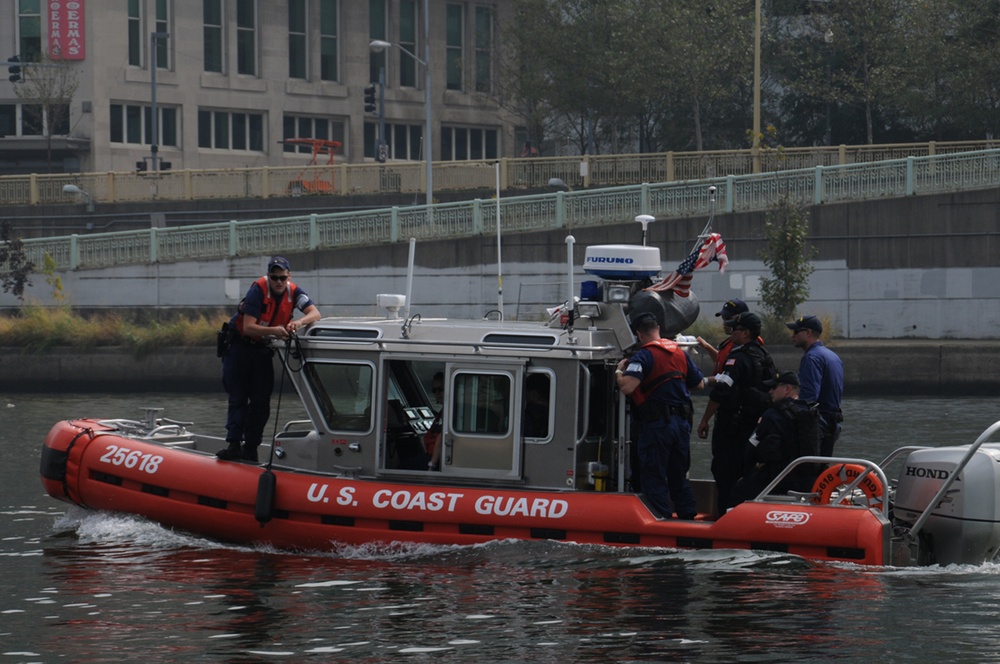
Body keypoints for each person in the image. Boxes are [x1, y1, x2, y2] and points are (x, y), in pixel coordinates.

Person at [217, 256, 321, 462]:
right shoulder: (258, 290)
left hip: (261, 350)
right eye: (274, 277)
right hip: (240, 348)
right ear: (269, 276)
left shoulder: (294, 292)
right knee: (238, 398)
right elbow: (248, 327)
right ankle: (234, 444)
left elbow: (315, 313)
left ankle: (251, 447)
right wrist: (275, 330)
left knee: (261, 402)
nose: (279, 282)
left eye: (282, 277)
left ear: (289, 276)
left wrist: (297, 323)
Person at [617, 312, 705, 519]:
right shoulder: (680, 353)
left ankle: (661, 520)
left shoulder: (644, 355)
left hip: (658, 426)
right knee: (678, 475)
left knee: (654, 475)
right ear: (658, 329)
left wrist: (619, 372)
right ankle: (687, 518)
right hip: (681, 425)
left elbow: (628, 388)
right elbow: (699, 384)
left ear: (639, 334)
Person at [697, 311, 776, 513]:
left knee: (725, 473)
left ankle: (725, 517)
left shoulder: (737, 358)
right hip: (754, 427)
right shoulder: (765, 356)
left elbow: (721, 391)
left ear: (745, 333)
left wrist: (705, 419)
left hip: (732, 428)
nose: (731, 332)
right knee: (748, 473)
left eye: (735, 329)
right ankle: (746, 514)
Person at [728, 371, 820, 508]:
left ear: (787, 389)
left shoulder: (772, 415)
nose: (770, 391)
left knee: (737, 493)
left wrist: (747, 473)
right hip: (807, 480)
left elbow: (750, 448)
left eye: (774, 387)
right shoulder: (812, 414)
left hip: (778, 479)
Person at [786, 315, 844, 456]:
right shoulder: (832, 356)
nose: (793, 335)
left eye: (796, 331)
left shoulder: (812, 358)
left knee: (808, 470)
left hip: (818, 424)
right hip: (832, 423)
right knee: (822, 468)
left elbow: (808, 397)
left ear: (808, 333)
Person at [697, 298, 749, 373]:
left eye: (729, 319)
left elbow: (732, 375)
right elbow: (723, 362)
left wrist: (705, 381)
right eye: (724, 318)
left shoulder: (746, 344)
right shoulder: (733, 341)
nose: (725, 323)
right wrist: (707, 347)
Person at [425, 372, 445, 471]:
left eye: (441, 389)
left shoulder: (453, 412)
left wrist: (431, 466)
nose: (437, 393)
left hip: (439, 461)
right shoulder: (442, 412)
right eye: (434, 390)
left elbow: (441, 440)